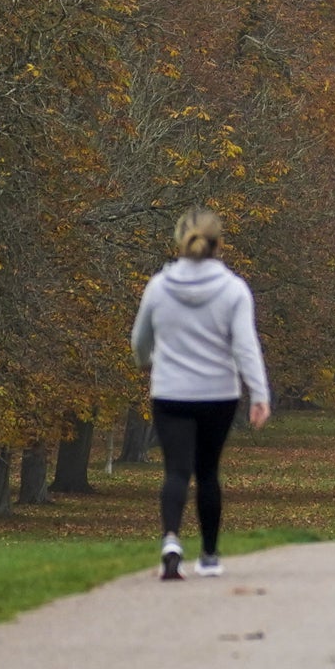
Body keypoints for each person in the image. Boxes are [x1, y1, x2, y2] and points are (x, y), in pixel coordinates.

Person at [130, 206, 271, 581]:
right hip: (217, 394)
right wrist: (259, 394)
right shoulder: (233, 290)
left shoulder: (159, 287)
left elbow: (140, 340)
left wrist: (148, 361)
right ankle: (209, 555)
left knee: (175, 470)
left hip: (171, 392)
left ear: (179, 242)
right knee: (207, 472)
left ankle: (171, 540)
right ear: (218, 244)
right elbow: (245, 346)